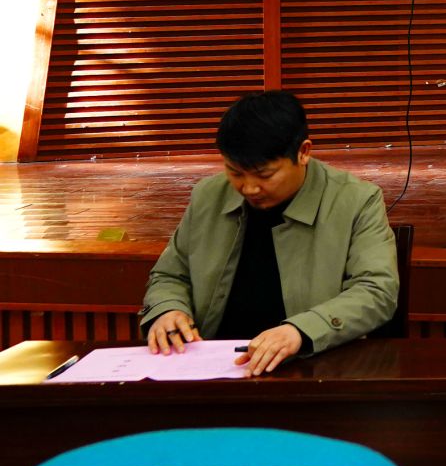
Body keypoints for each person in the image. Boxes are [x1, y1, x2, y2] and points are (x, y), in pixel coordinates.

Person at [140, 91, 399, 375]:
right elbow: (170, 275)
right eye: (235, 172)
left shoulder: (356, 200)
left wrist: (301, 330)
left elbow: (376, 291)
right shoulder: (209, 196)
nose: (249, 188)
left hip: (311, 368)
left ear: (303, 152)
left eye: (265, 175)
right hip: (213, 367)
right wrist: (168, 309)